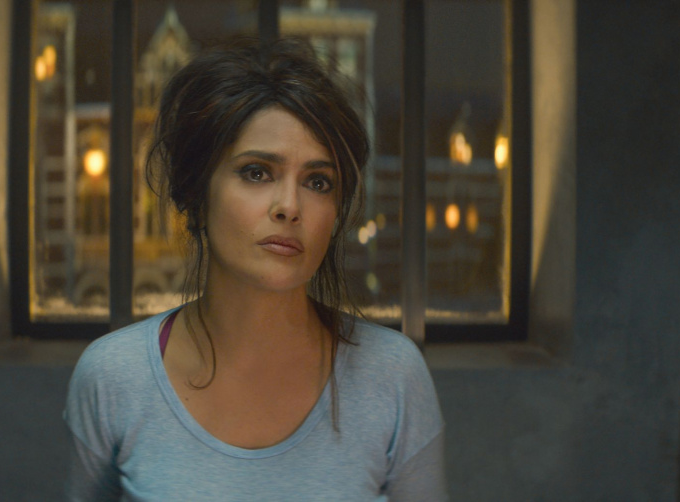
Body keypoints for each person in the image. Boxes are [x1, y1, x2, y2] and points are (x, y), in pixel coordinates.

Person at [64, 37, 446, 501]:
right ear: (195, 194)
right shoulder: (113, 377)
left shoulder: (393, 376)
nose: (290, 206)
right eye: (257, 173)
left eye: (318, 182)